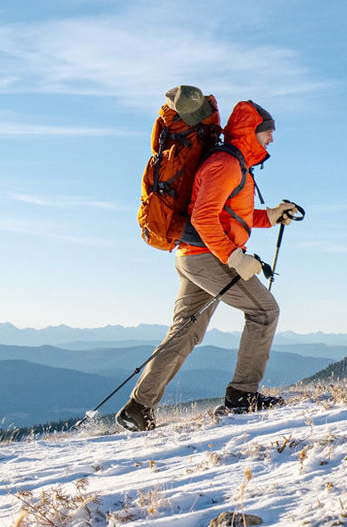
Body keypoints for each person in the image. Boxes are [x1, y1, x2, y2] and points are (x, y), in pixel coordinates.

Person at [116, 97, 304, 431]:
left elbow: (231, 215)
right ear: (250, 131)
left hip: (194, 256)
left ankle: (138, 407)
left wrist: (272, 216)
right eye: (267, 132)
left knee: (185, 333)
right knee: (265, 312)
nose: (271, 139)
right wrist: (234, 257)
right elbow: (203, 217)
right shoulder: (226, 164)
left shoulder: (237, 164)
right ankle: (242, 396)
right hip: (207, 258)